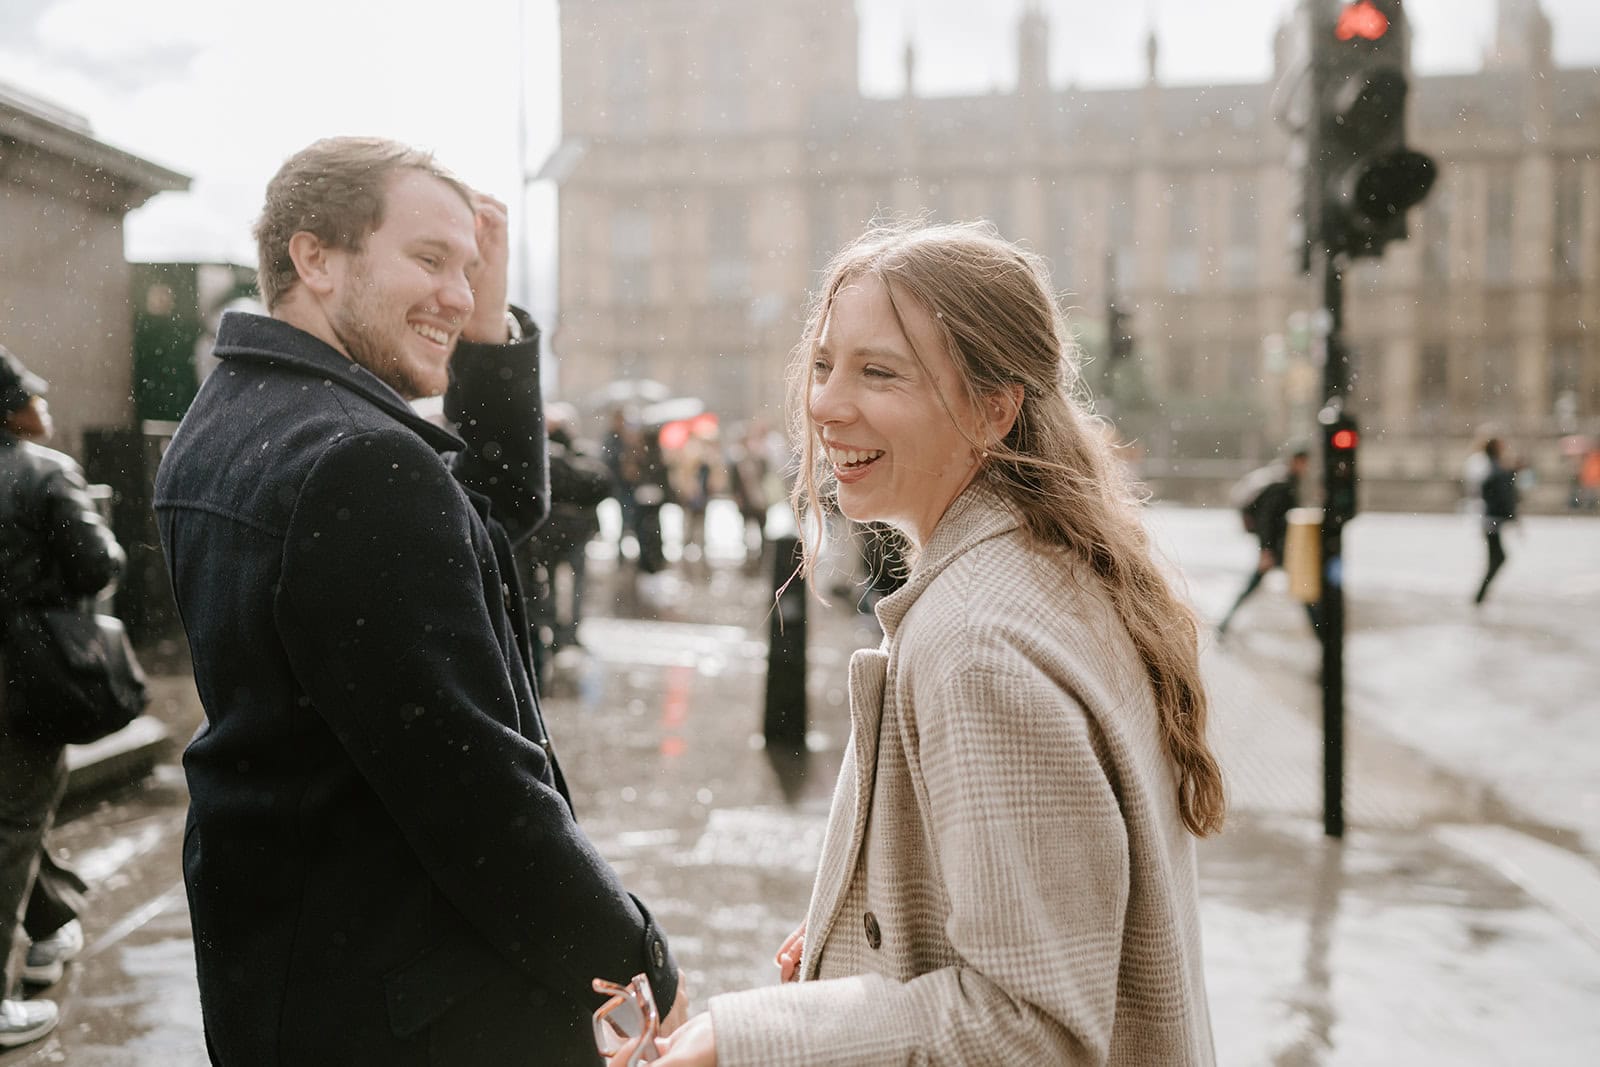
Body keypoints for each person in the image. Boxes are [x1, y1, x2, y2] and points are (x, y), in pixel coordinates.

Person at [613, 221, 1222, 1065]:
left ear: (993, 407)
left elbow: (1030, 1026)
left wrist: (744, 1038)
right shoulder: (1054, 567)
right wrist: (861, 929)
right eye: (824, 364)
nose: (825, 402)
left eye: (880, 372)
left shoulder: (979, 645)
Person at [153, 137, 682, 1064]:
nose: (462, 294)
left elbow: (493, 513)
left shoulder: (230, 415)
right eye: (430, 260)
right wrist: (629, 953)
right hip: (411, 997)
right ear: (315, 258)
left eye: (471, 269)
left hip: (290, 961)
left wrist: (486, 339)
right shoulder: (360, 461)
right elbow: (474, 793)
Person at [0, 346, 120, 1048]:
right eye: (32, 396)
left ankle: (49, 924)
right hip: (24, 677)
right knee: (16, 819)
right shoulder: (43, 473)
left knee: (19, 810)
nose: (45, 406)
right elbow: (97, 563)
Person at [1217, 447, 1316, 637]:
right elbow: (1267, 519)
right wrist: (1266, 550)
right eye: (1304, 462)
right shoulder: (1282, 485)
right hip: (1278, 549)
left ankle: (1224, 624)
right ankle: (1321, 631)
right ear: (1296, 461)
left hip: (1281, 547)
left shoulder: (1287, 482)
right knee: (1302, 590)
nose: (1306, 467)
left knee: (1300, 589)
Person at [1474, 437, 1519, 605]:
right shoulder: (1495, 468)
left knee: (1497, 558)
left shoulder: (1493, 467)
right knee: (1498, 558)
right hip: (1492, 520)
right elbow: (1499, 492)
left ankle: (1481, 595)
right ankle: (1480, 596)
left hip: (1491, 519)